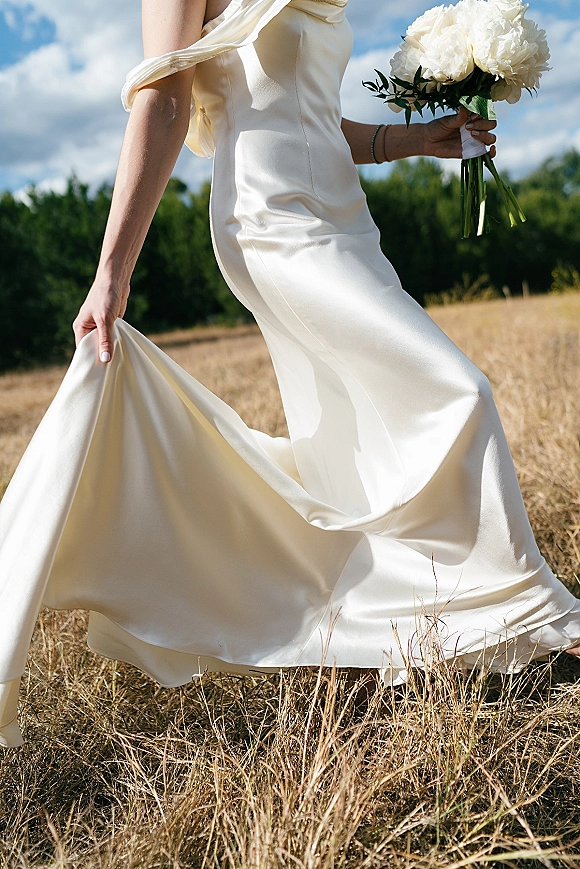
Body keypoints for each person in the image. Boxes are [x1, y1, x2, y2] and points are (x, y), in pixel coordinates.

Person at [1, 0, 579, 749]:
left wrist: (417, 140)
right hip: (269, 222)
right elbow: (166, 99)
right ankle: (537, 614)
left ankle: (403, 625)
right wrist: (112, 272)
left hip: (342, 215)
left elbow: (309, 116)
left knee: (356, 433)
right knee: (456, 391)